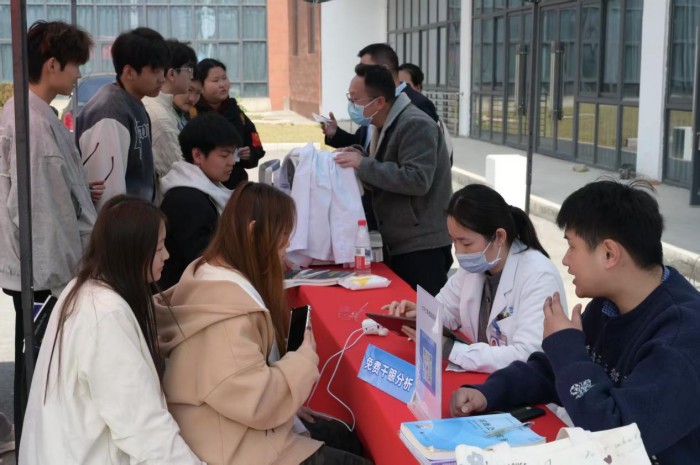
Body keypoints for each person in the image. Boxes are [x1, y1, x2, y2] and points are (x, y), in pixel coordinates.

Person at [449, 180, 700, 464]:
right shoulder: (608, 305)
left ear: (609, 254)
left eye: (571, 246)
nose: (566, 260)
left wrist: (566, 346)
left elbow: (616, 438)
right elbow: (551, 371)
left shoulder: (683, 336)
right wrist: (490, 392)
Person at [156, 182, 372, 465]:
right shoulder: (226, 316)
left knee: (344, 436)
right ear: (254, 233)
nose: (287, 247)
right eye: (283, 236)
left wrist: (288, 405)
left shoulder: (209, 274)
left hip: (231, 425)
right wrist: (303, 358)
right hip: (235, 446)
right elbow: (258, 401)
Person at [20, 195, 204, 464]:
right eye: (159, 248)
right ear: (132, 251)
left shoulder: (84, 288)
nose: (167, 255)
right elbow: (142, 425)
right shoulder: (106, 315)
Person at [0, 20, 97, 440]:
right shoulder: (33, 124)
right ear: (53, 64)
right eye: (75, 65)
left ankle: (34, 444)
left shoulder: (32, 114)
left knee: (38, 366)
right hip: (43, 273)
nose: (78, 75)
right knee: (41, 369)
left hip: (38, 269)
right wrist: (66, 279)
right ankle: (36, 447)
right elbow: (41, 215)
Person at [382, 184, 566, 373]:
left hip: (522, 384)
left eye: (466, 243)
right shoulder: (475, 266)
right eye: (454, 241)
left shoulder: (538, 276)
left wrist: (451, 349)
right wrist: (422, 315)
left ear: (499, 236)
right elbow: (447, 309)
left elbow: (529, 355)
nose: (459, 252)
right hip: (486, 379)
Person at [335, 64, 452, 296]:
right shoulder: (383, 124)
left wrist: (363, 164)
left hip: (422, 245)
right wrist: (360, 155)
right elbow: (387, 165)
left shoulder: (414, 123)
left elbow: (417, 179)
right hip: (398, 240)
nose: (351, 106)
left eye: (356, 100)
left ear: (379, 102)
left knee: (423, 312)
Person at [76, 27, 170, 210]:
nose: (162, 78)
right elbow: (108, 195)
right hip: (121, 224)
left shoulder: (132, 102)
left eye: (163, 70)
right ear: (129, 72)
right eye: (155, 71)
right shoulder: (110, 112)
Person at [158, 112, 242, 289]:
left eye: (233, 154)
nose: (232, 162)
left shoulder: (202, 190)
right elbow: (202, 263)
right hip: (187, 294)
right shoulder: (187, 201)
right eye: (224, 155)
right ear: (197, 155)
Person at [322, 43, 438, 151]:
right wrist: (334, 132)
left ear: (385, 70)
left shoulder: (419, 105)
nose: (360, 74)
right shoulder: (370, 102)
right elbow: (364, 144)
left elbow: (417, 157)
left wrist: (363, 162)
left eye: (365, 70)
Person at [193, 58, 265, 190]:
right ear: (201, 86)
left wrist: (250, 154)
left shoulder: (236, 112)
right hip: (203, 186)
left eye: (224, 78)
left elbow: (257, 146)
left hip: (236, 187)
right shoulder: (193, 113)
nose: (222, 84)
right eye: (215, 80)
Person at [144, 39, 197, 180]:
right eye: (189, 70)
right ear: (172, 74)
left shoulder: (165, 107)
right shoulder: (159, 115)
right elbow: (179, 175)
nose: (191, 76)